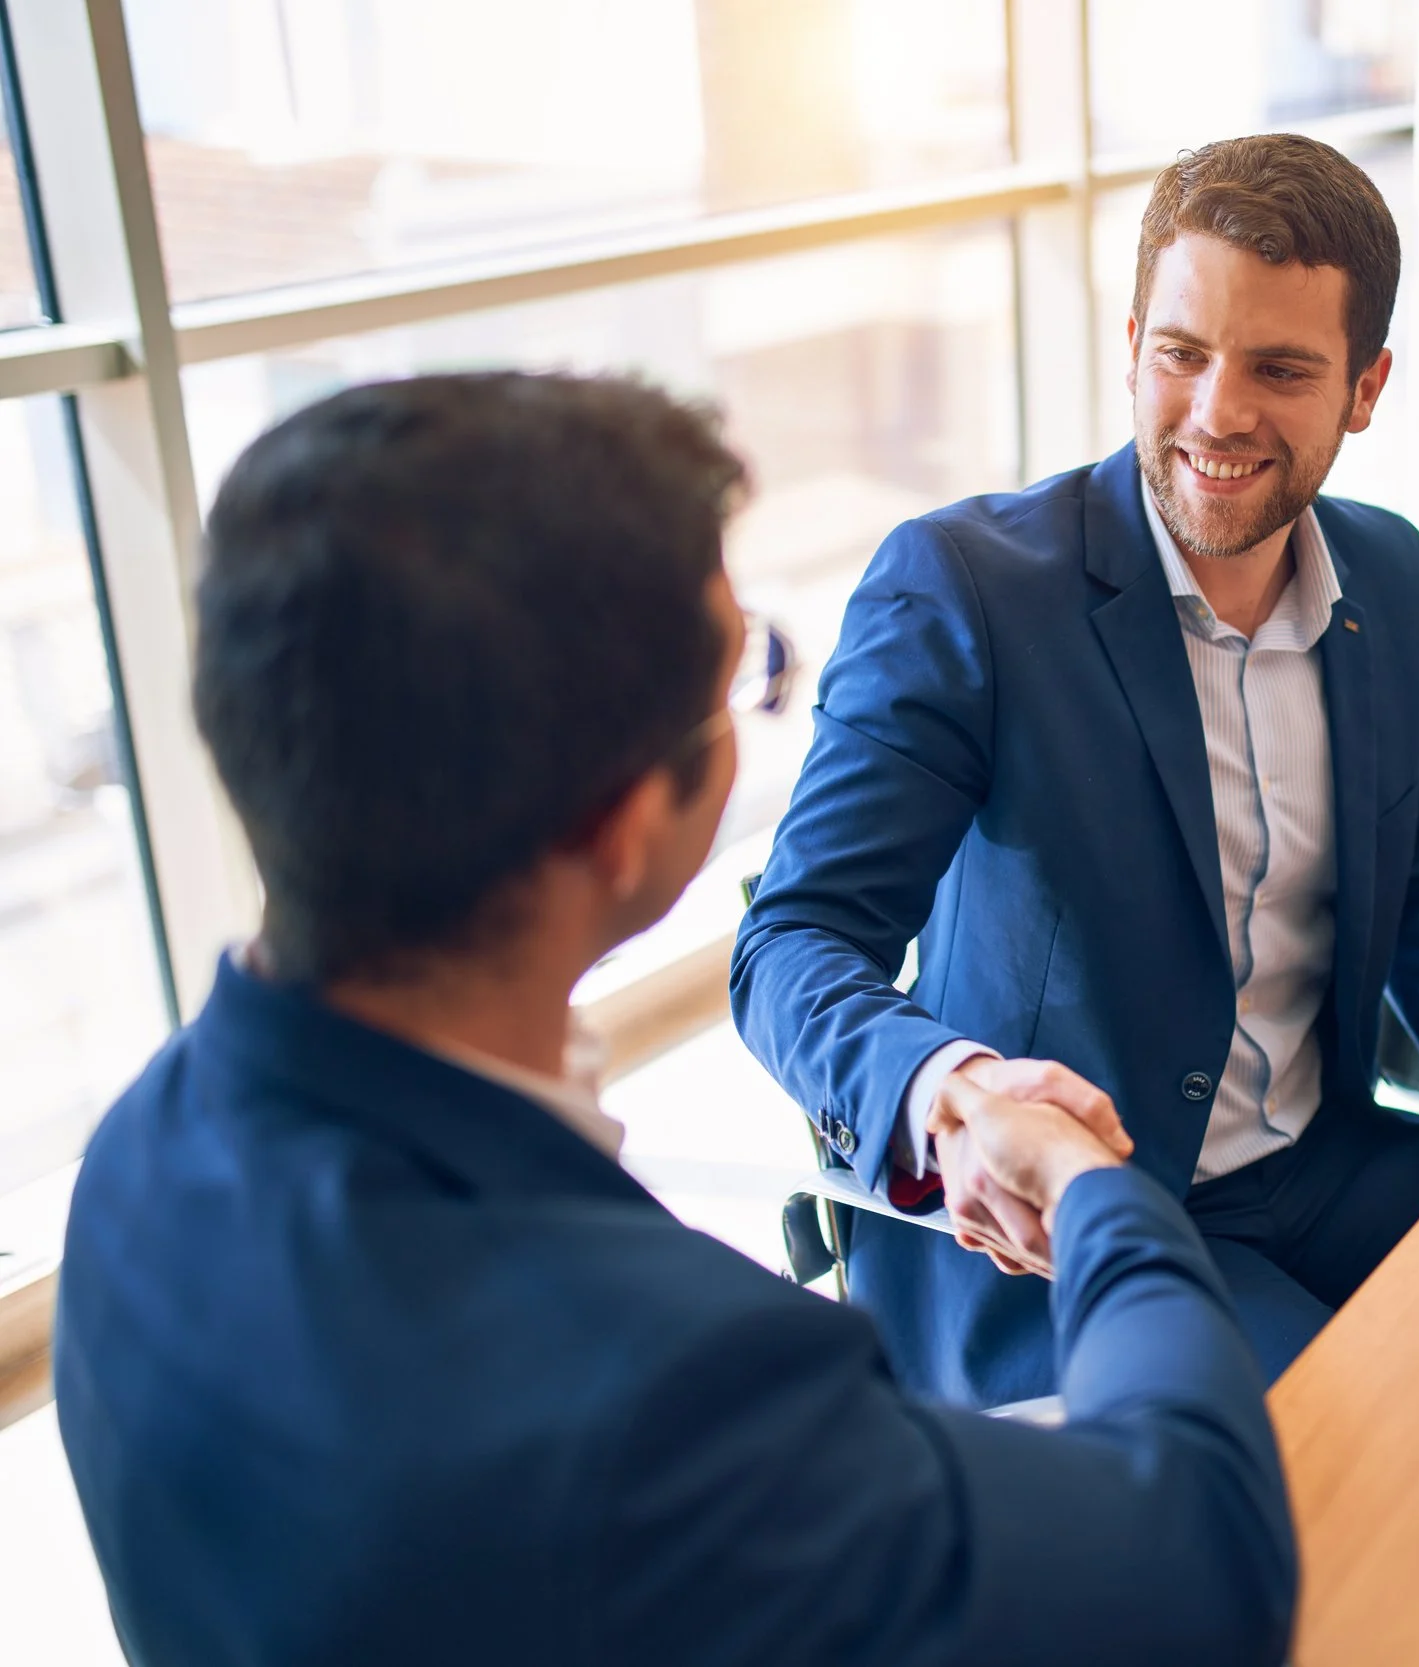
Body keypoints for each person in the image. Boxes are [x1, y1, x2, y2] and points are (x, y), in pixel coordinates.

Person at [52, 374, 1295, 1667]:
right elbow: (1204, 1562)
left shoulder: (135, 1160)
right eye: (743, 673)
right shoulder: (670, 1387)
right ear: (624, 817)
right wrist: (1101, 1191)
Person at [733, 133, 1419, 1408]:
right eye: (1181, 354)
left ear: (1365, 385)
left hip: (1322, 1166)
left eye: (1280, 368)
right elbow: (790, 945)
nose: (1218, 411)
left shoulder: (1389, 578)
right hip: (1071, 1223)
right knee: (1371, 1445)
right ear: (1131, 345)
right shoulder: (966, 591)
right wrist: (957, 1096)